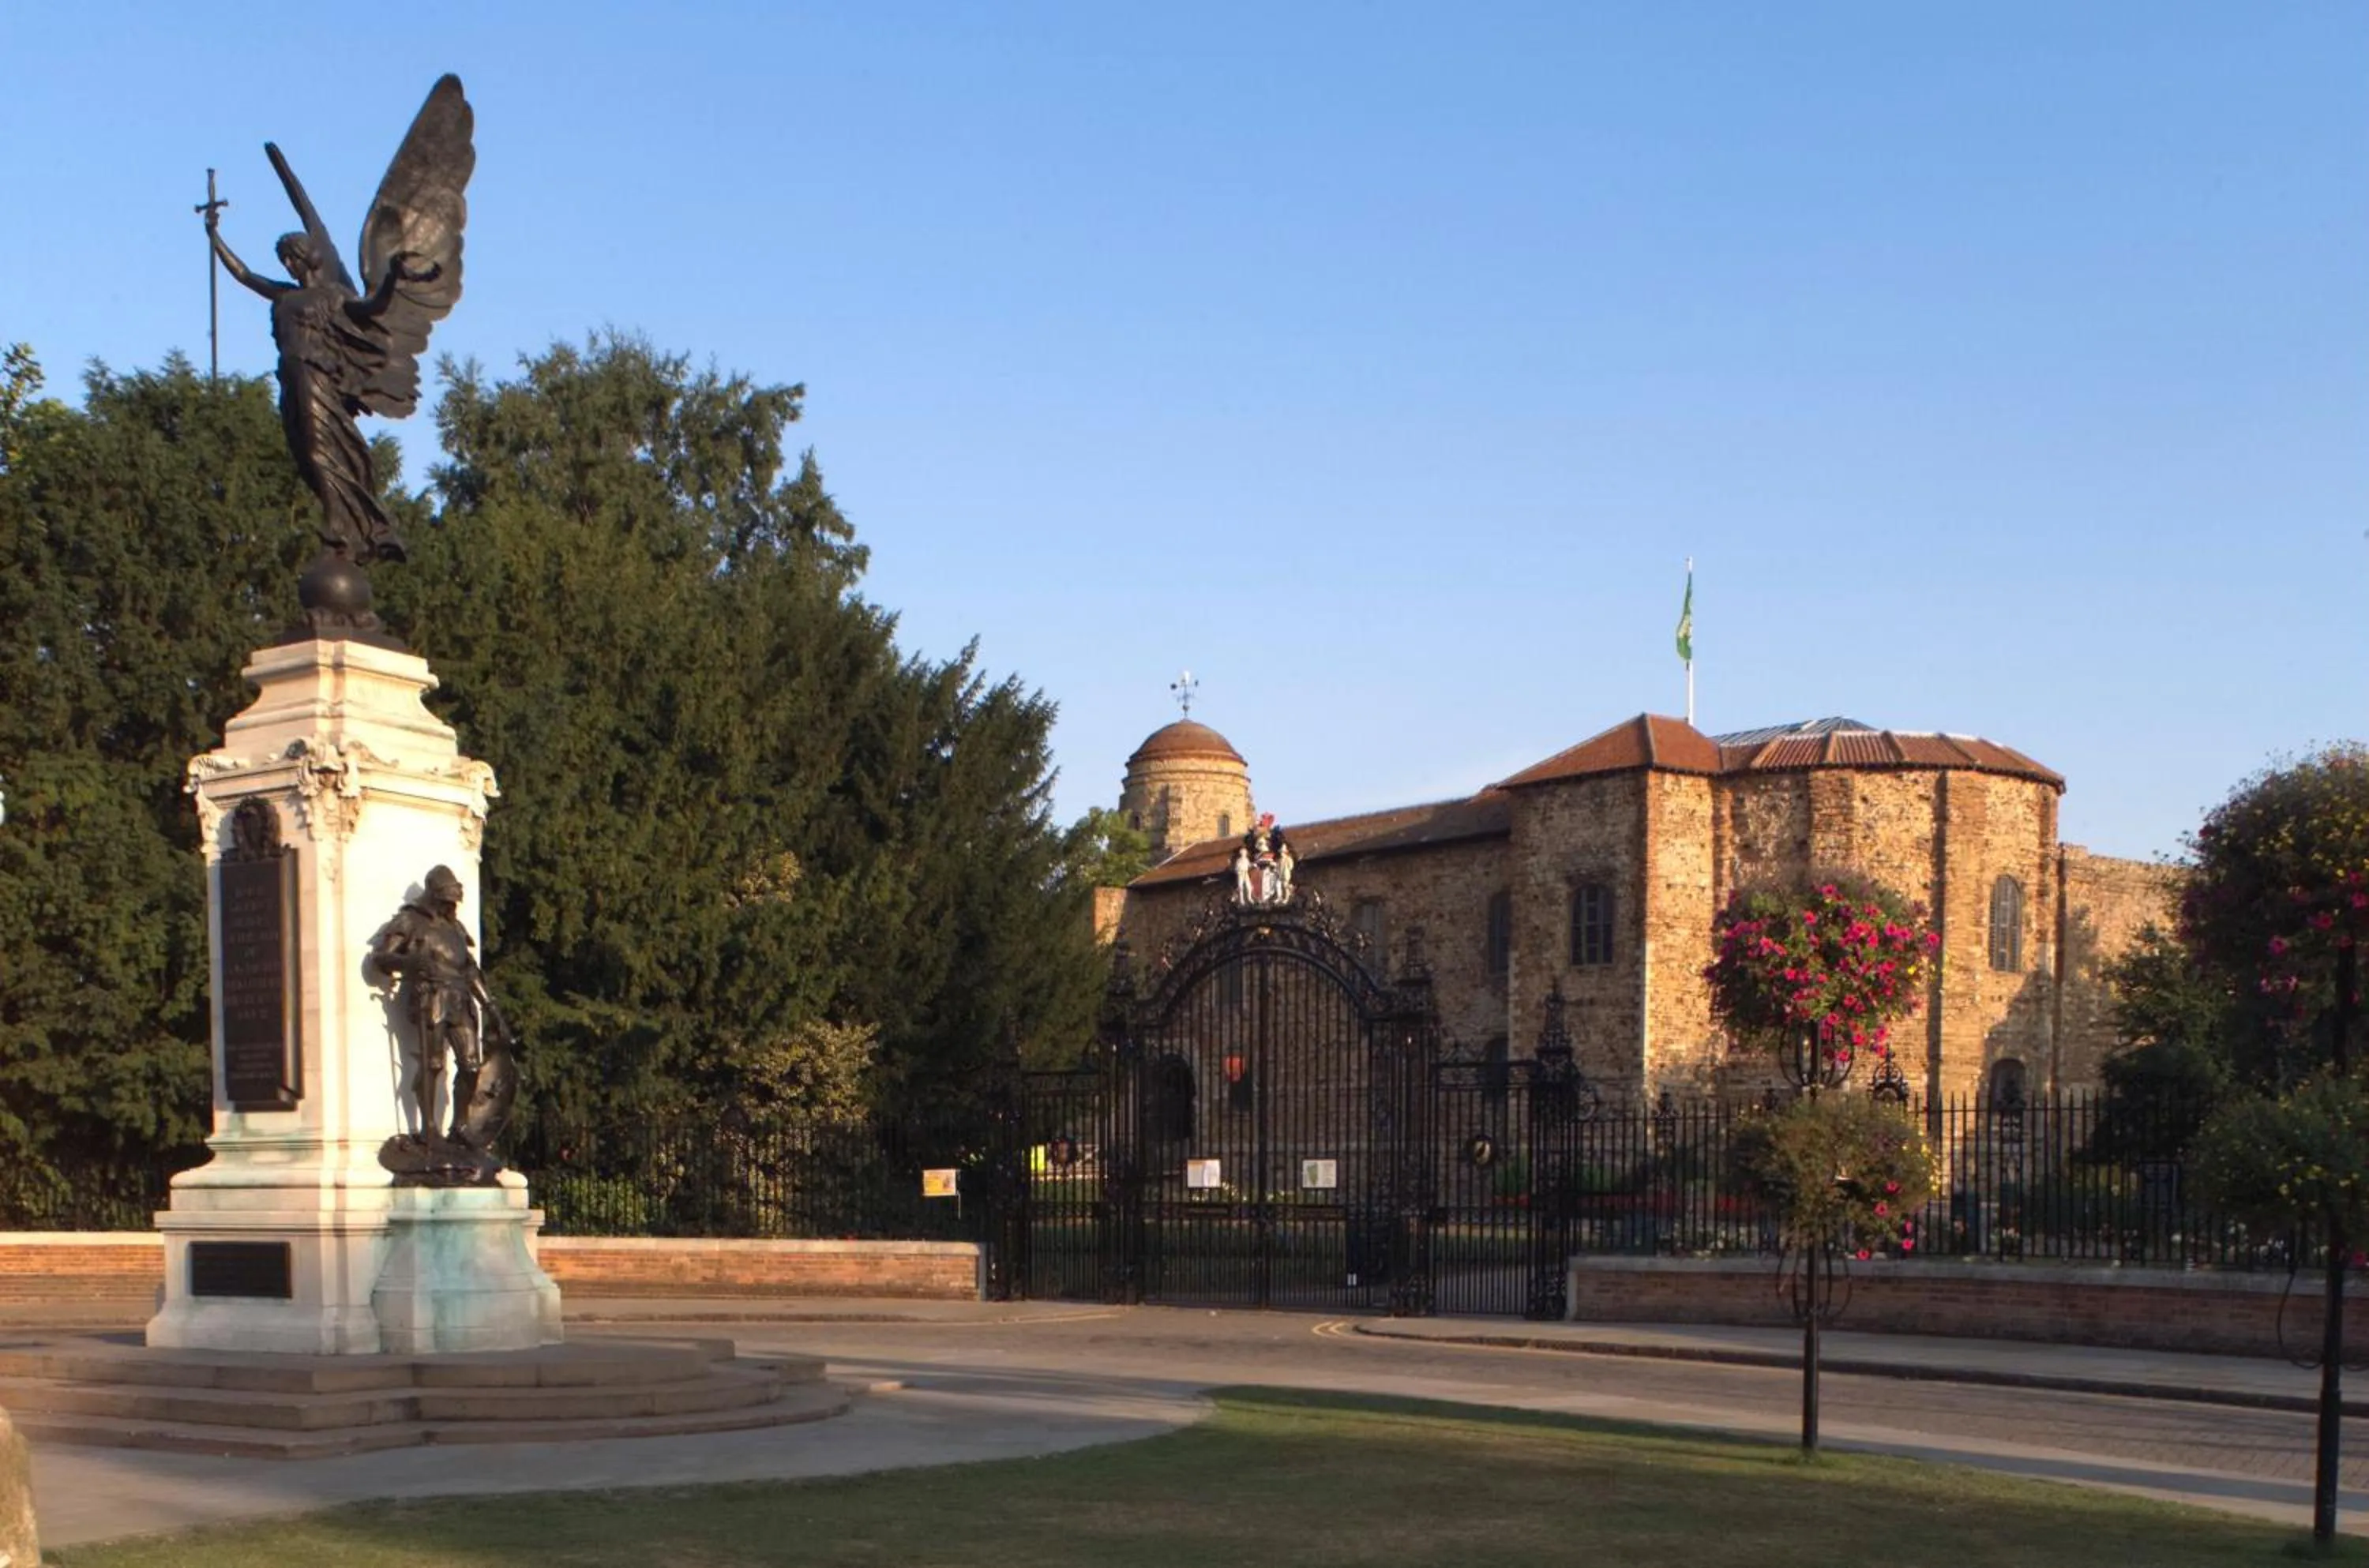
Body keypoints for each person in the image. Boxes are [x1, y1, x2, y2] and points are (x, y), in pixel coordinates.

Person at [369, 865, 514, 1155]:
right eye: (447, 899)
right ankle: (428, 1129)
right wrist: (410, 964)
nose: (452, 905)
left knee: (471, 1066)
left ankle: (459, 1126)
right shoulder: (409, 921)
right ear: (433, 896)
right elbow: (381, 958)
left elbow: (471, 971)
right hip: (431, 997)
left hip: (461, 999)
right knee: (432, 1064)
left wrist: (492, 1010)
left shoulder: (455, 929)